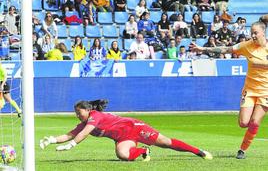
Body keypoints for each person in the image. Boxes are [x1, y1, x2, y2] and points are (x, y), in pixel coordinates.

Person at [189, 18, 268, 159]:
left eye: (255, 33)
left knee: (255, 122)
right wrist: (203, 49)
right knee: (243, 123)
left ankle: (242, 150)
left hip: (266, 92)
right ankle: (250, 130)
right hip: (249, 90)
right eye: (251, 33)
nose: (253, 35)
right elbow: (226, 49)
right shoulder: (246, 45)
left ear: (263, 32)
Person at [40, 100, 213, 161]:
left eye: (79, 112)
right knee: (122, 155)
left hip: (134, 128)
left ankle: (199, 151)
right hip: (123, 137)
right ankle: (143, 151)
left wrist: (71, 146)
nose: (77, 115)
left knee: (167, 143)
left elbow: (82, 135)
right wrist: (52, 140)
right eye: (76, 113)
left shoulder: (95, 116)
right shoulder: (85, 122)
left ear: (87, 110)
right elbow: (71, 134)